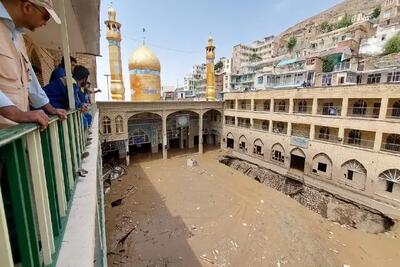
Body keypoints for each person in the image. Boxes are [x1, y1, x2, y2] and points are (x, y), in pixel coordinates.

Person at [0, 0, 67, 130]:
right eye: (46, 16)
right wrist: (17, 114)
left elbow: (30, 80)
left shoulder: (17, 36)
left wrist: (51, 109)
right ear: (27, 7)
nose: (45, 24)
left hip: (17, 135)